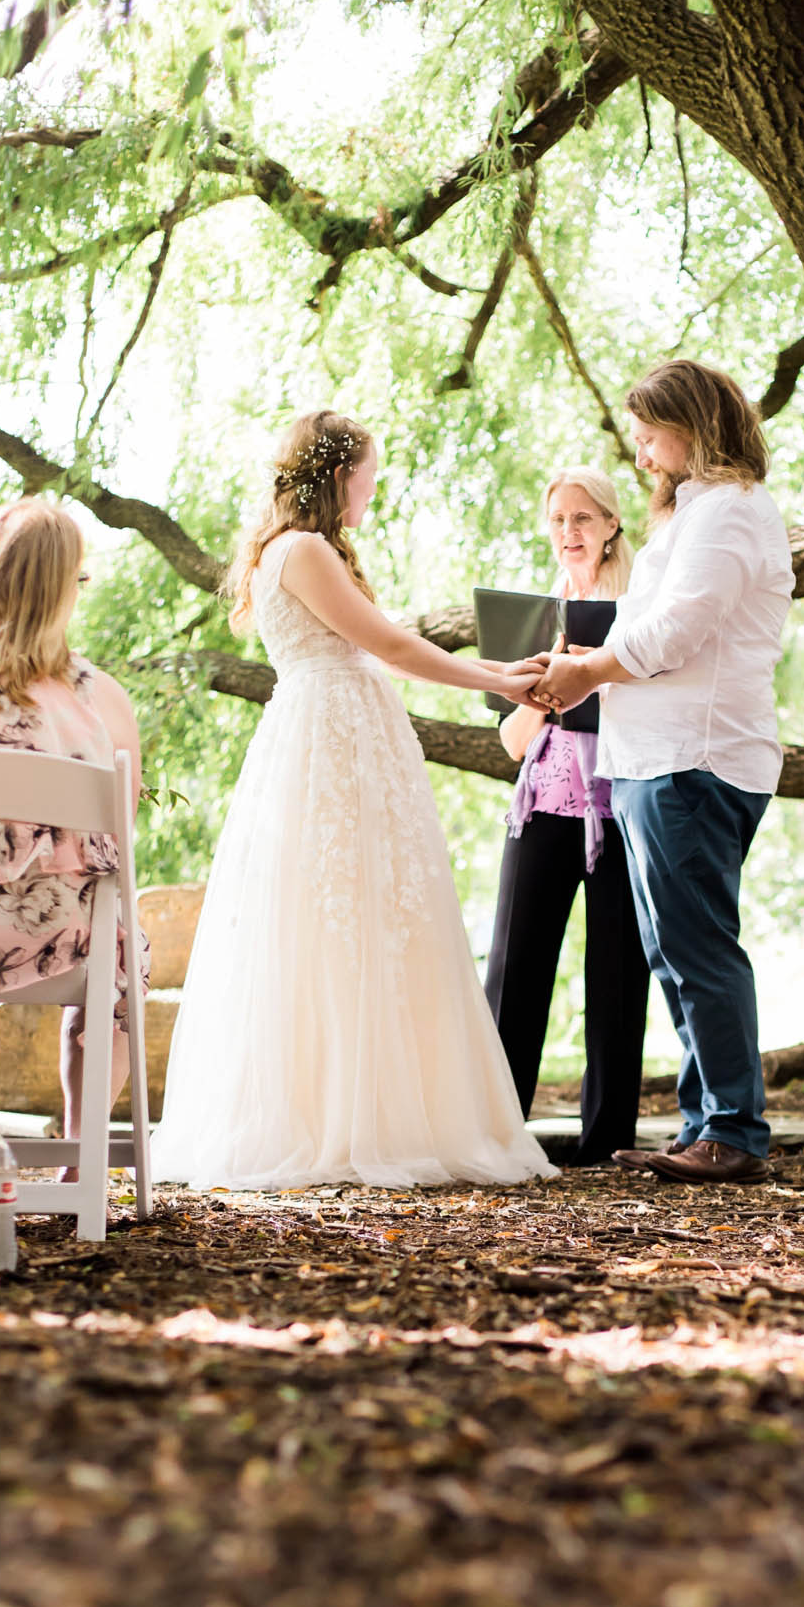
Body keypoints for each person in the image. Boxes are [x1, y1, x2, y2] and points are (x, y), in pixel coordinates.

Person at [152, 409, 556, 1191]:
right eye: (369, 471)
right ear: (340, 474)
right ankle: (337, 1120)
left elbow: (380, 650)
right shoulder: (301, 550)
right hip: (331, 745)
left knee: (368, 915)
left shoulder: (301, 551)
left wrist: (487, 674)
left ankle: (383, 1107)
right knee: (335, 917)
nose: (374, 486)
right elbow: (390, 646)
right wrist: (500, 678)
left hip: (340, 737)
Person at [532, 361, 794, 1185]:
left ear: (692, 426)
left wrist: (590, 672)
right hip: (654, 759)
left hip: (696, 757)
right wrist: (582, 659)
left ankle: (734, 1130)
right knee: (670, 948)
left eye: (649, 436)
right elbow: (654, 623)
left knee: (698, 946)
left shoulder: (729, 514)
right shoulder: (695, 513)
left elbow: (680, 630)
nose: (641, 455)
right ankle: (704, 1123)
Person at [0, 497, 148, 1163]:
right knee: (122, 949)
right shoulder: (101, 698)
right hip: (67, 936)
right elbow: (118, 842)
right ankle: (79, 1145)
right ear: (62, 590)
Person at [484, 466, 649, 1164]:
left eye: (582, 519)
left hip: (620, 803)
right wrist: (544, 684)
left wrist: (598, 673)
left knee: (618, 971)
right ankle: (496, 1130)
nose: (568, 533)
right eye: (557, 520)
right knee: (514, 965)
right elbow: (513, 743)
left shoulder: (644, 607)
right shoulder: (532, 613)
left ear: (612, 525)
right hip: (543, 801)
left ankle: (607, 1139)